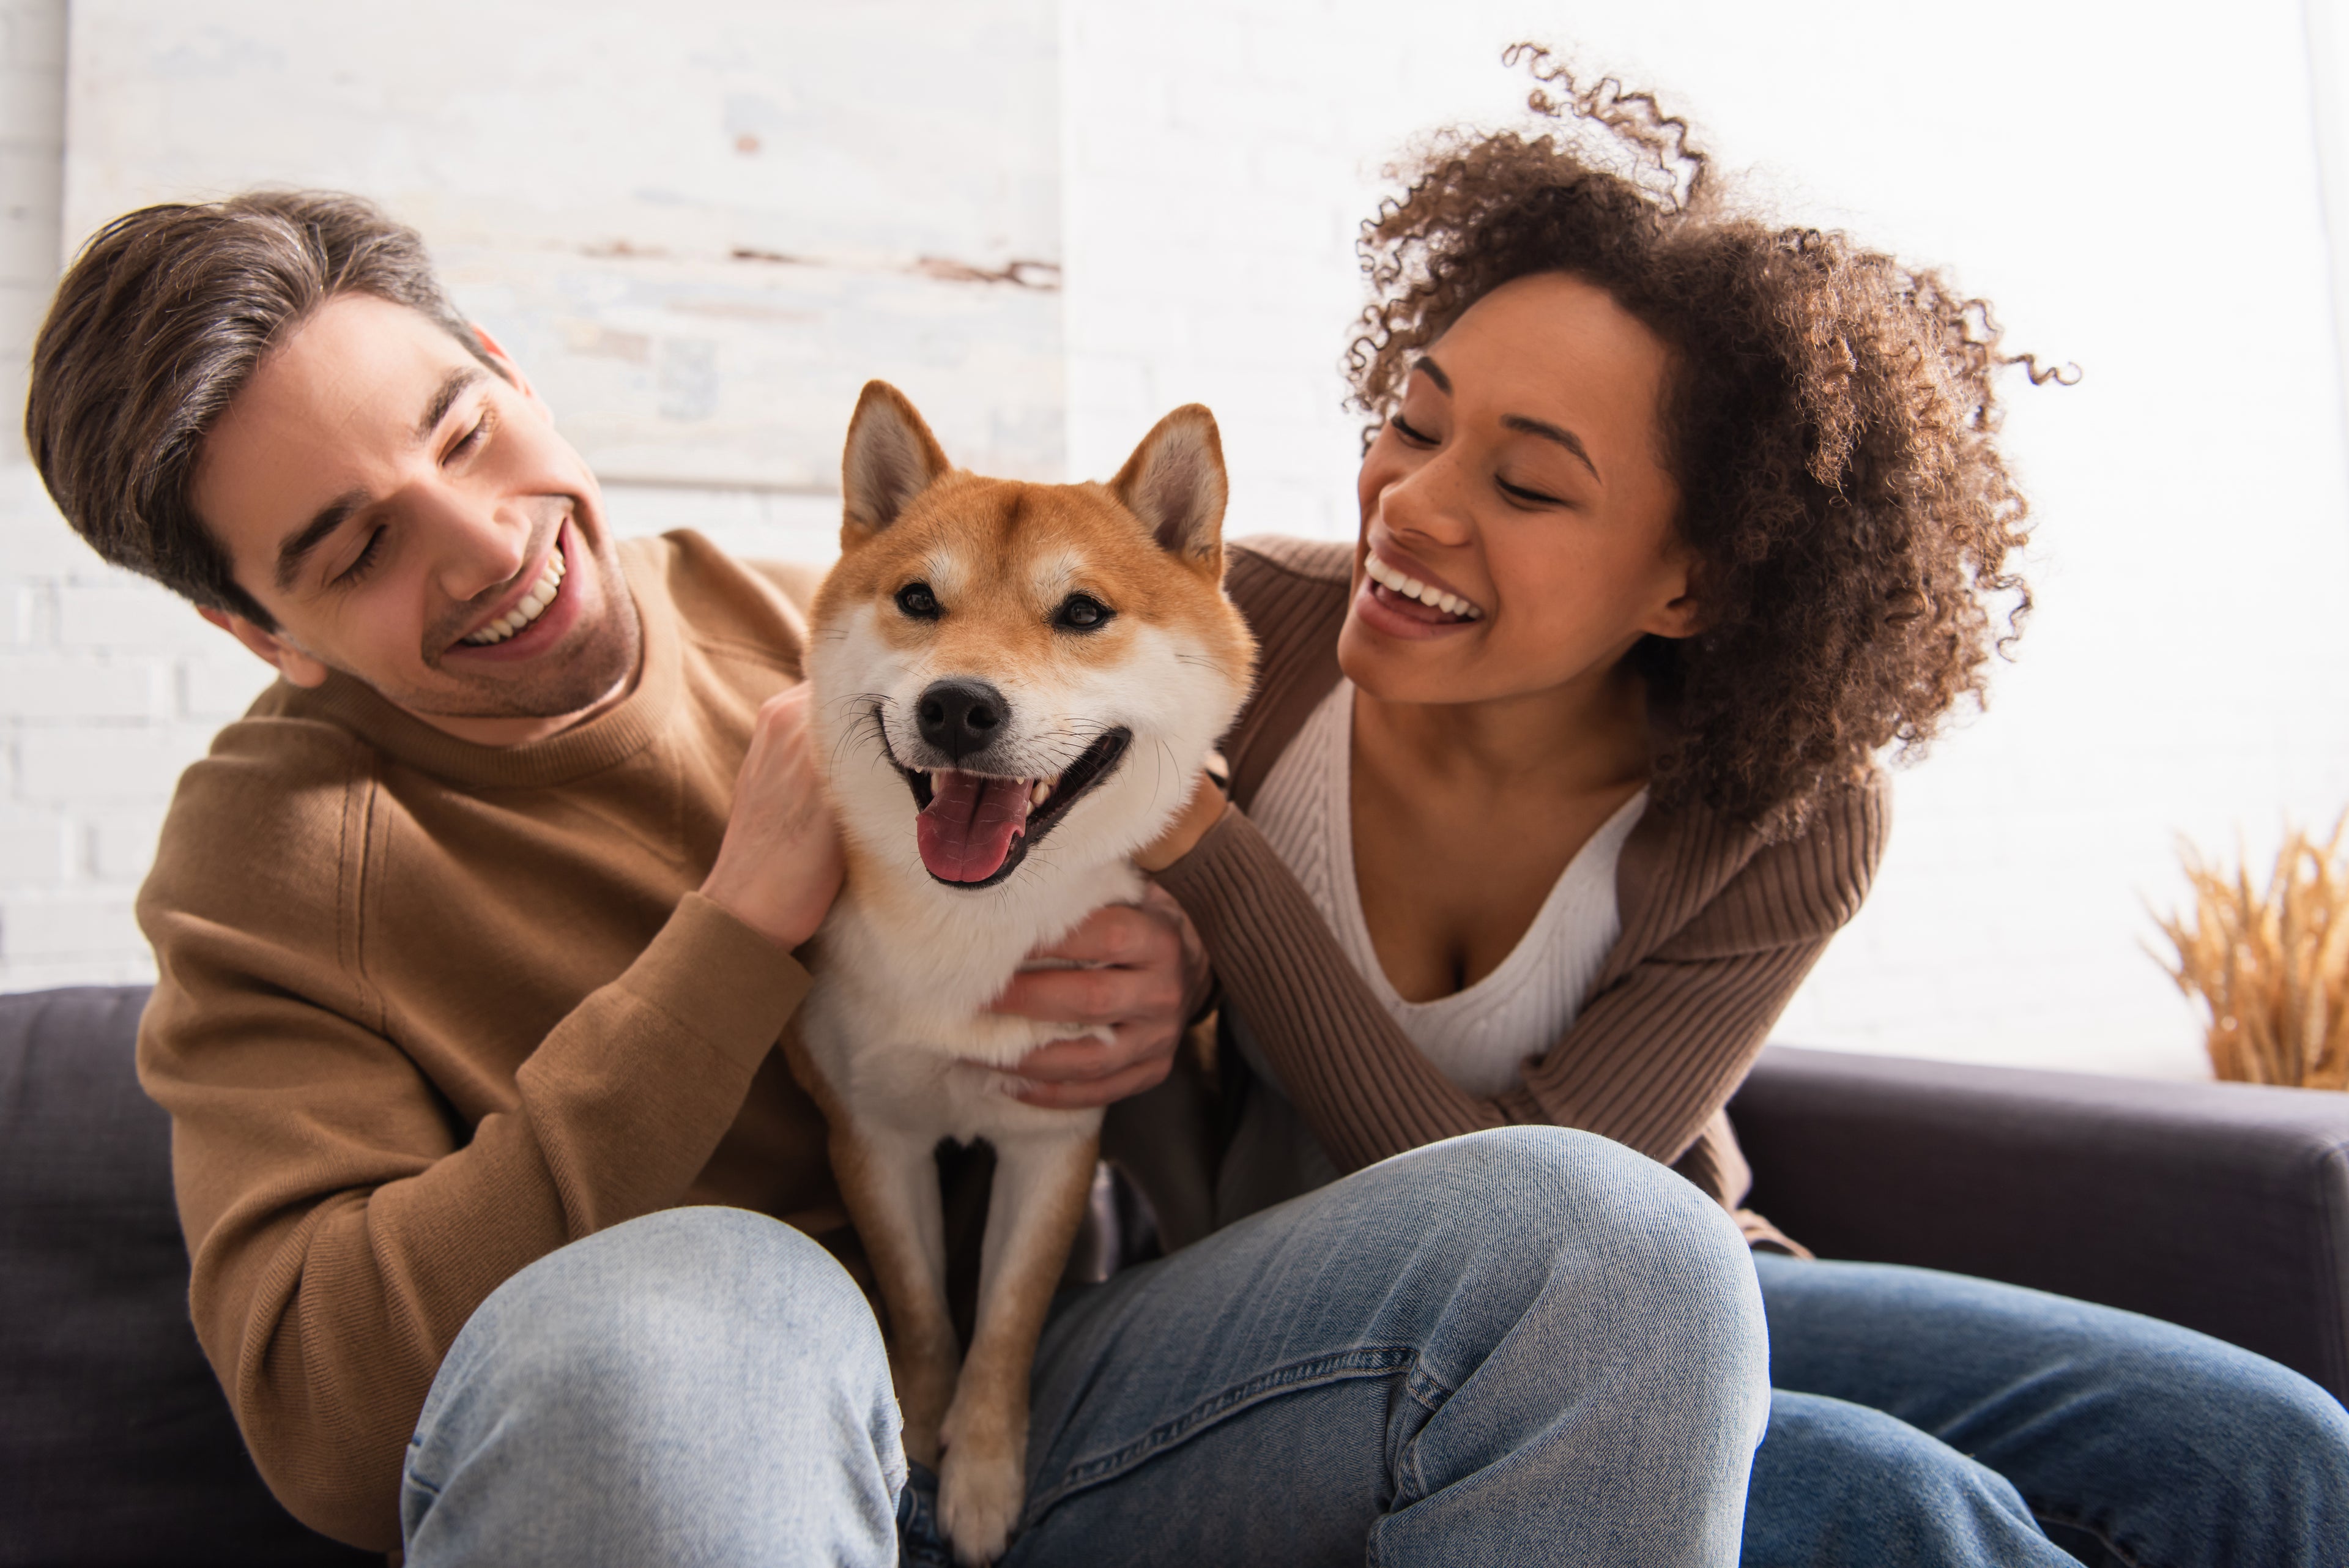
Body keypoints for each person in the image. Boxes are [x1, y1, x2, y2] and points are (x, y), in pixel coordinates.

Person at [24, 188, 1772, 1564]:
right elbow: (331, 1418)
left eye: (465, 430)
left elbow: (1191, 654)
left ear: (511, 364)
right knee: (691, 1295)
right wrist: (735, 935)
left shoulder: (877, 608)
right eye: (355, 546)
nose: (489, 541)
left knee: (1616, 1239)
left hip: (1073, 1392)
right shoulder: (267, 856)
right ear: (252, 626)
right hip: (684, 1418)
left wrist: (1174, 973)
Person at [1123, 51, 2349, 1568]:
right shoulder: (1226, 633)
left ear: (1693, 583)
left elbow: (1554, 1206)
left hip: (1668, 1289)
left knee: (2278, 1449)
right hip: (1277, 1314)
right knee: (1890, 1497)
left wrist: (1216, 864)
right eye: (1417, 420)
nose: (1413, 501)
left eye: (1529, 485)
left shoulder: (1786, 814)